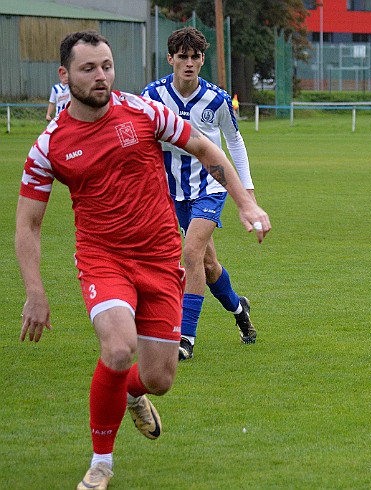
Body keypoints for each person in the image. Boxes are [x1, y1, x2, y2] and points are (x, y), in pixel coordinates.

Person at [16, 31, 270, 490]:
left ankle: (132, 393)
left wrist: (246, 204)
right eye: (88, 68)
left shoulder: (144, 112)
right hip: (103, 259)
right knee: (116, 348)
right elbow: (27, 224)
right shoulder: (49, 146)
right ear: (64, 75)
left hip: (157, 260)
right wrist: (35, 291)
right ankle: (101, 464)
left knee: (159, 378)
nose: (101, 76)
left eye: (107, 66)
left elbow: (206, 149)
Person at [141, 26, 258, 361]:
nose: (189, 63)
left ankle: (185, 337)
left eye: (195, 57)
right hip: (171, 192)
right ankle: (239, 309)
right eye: (182, 57)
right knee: (207, 266)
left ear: (202, 59)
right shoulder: (152, 96)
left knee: (190, 254)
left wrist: (246, 194)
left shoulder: (217, 99)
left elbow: (235, 142)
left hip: (210, 187)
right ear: (170, 59)